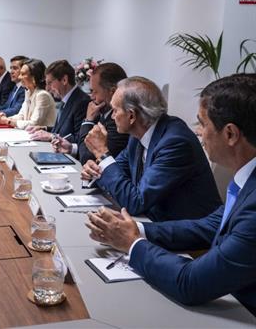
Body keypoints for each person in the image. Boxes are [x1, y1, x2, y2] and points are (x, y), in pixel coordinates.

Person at [86, 74, 256, 315]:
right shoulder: (246, 179)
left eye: (202, 124)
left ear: (230, 134)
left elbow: (191, 283)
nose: (198, 132)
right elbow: (210, 225)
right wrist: (136, 229)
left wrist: (132, 243)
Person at [81, 76, 221, 221]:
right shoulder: (137, 136)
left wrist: (102, 154)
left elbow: (136, 202)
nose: (112, 117)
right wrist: (95, 170)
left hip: (185, 233)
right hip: (150, 220)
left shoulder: (175, 142)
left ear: (131, 116)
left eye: (115, 111)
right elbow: (117, 170)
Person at [52, 63, 129, 164]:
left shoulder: (118, 121)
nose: (91, 97)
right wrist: (72, 148)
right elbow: (87, 148)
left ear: (113, 91)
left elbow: (87, 158)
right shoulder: (103, 113)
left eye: (94, 91)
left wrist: (88, 121)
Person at [28, 59, 90, 143]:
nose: (47, 88)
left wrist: (51, 136)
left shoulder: (82, 102)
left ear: (64, 80)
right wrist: (45, 129)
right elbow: (63, 130)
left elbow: (79, 139)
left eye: (50, 83)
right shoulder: (66, 98)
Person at [0, 59, 56, 129]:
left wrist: (7, 121)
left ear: (34, 77)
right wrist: (2, 118)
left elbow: (34, 124)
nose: (19, 77)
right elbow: (21, 116)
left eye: (23, 74)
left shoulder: (43, 95)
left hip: (41, 138)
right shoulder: (28, 92)